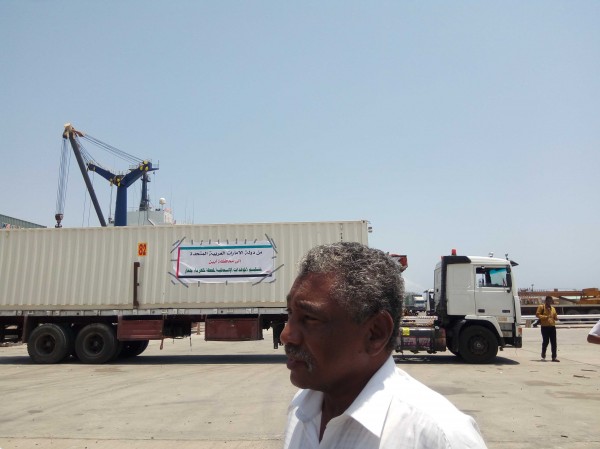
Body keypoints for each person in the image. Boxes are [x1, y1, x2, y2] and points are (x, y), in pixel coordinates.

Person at [281, 242, 487, 448]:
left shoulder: (439, 437)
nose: (286, 336)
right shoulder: (300, 410)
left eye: (310, 318)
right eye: (290, 313)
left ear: (375, 333)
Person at [535, 296, 559, 362]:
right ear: (546, 301)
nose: (549, 302)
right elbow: (537, 315)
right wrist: (545, 317)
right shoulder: (541, 307)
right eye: (548, 301)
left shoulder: (553, 309)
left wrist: (556, 318)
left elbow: (555, 316)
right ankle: (543, 354)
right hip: (545, 327)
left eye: (550, 301)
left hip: (552, 327)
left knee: (554, 342)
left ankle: (554, 357)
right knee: (546, 341)